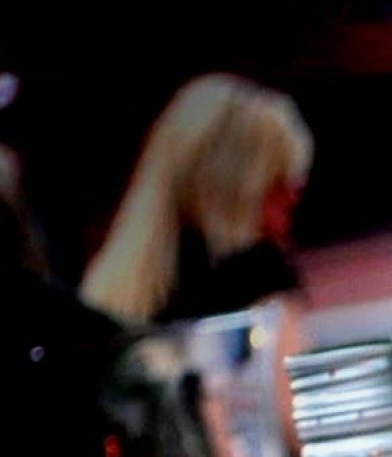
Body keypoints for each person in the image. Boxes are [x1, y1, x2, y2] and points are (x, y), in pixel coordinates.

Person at [80, 74, 311, 327]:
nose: (293, 197)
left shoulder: (104, 295)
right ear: (232, 191)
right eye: (278, 180)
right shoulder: (260, 279)